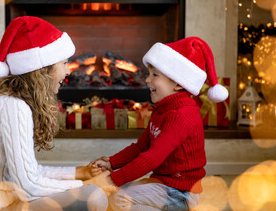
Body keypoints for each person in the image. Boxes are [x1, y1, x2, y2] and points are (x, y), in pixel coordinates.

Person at [0, 16, 108, 211]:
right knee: (95, 196)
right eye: (64, 63)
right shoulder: (13, 107)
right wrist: (87, 186)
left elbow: (30, 173)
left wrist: (80, 172)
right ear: (42, 70)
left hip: (4, 203)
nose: (68, 72)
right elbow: (30, 186)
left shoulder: (6, 101)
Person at [91, 37, 229, 211]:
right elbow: (140, 147)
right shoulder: (162, 109)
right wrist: (112, 163)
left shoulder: (182, 114)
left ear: (178, 83)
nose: (147, 80)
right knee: (109, 196)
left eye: (155, 75)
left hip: (181, 192)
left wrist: (112, 179)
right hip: (162, 184)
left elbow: (152, 157)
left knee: (119, 198)